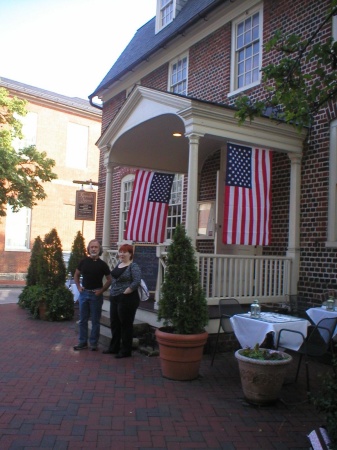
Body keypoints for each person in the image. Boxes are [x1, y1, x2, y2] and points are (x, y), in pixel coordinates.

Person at [103, 243, 141, 358]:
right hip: (114, 297)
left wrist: (126, 291)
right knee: (114, 323)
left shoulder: (133, 266)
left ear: (130, 254)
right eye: (120, 252)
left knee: (125, 324)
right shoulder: (119, 264)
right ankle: (114, 347)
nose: (121, 254)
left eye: (125, 252)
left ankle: (126, 350)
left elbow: (136, 281)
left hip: (127, 299)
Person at [73, 239, 112, 351]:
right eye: (92, 247)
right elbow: (76, 275)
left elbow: (109, 280)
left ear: (99, 249)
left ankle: (94, 343)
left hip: (96, 295)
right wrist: (79, 287)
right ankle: (82, 342)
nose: (94, 249)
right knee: (83, 320)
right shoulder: (83, 262)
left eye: (96, 247)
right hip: (84, 294)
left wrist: (102, 290)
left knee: (95, 320)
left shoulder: (103, 264)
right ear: (88, 249)